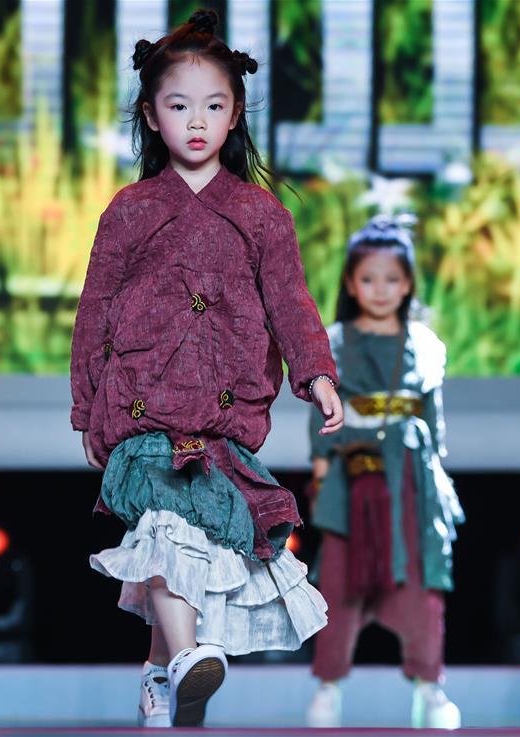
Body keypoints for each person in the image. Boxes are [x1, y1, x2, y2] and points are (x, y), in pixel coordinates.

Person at [69, 9, 343, 727]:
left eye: (214, 106)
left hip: (223, 421)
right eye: (178, 105)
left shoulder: (261, 215)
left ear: (236, 114)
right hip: (141, 410)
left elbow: (290, 302)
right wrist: (86, 408)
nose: (196, 121)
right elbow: (95, 311)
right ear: (151, 116)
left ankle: (161, 673)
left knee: (189, 542)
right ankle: (190, 658)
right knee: (167, 528)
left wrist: (316, 374)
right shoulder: (130, 211)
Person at [304, 216, 464, 729]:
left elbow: (432, 419)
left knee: (421, 581)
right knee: (339, 579)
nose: (380, 289)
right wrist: (322, 474)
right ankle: (328, 688)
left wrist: (436, 479)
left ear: (408, 284)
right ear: (351, 283)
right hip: (353, 475)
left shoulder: (425, 344)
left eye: (392, 279)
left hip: (411, 478)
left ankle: (430, 686)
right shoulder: (335, 342)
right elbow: (322, 417)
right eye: (369, 278)